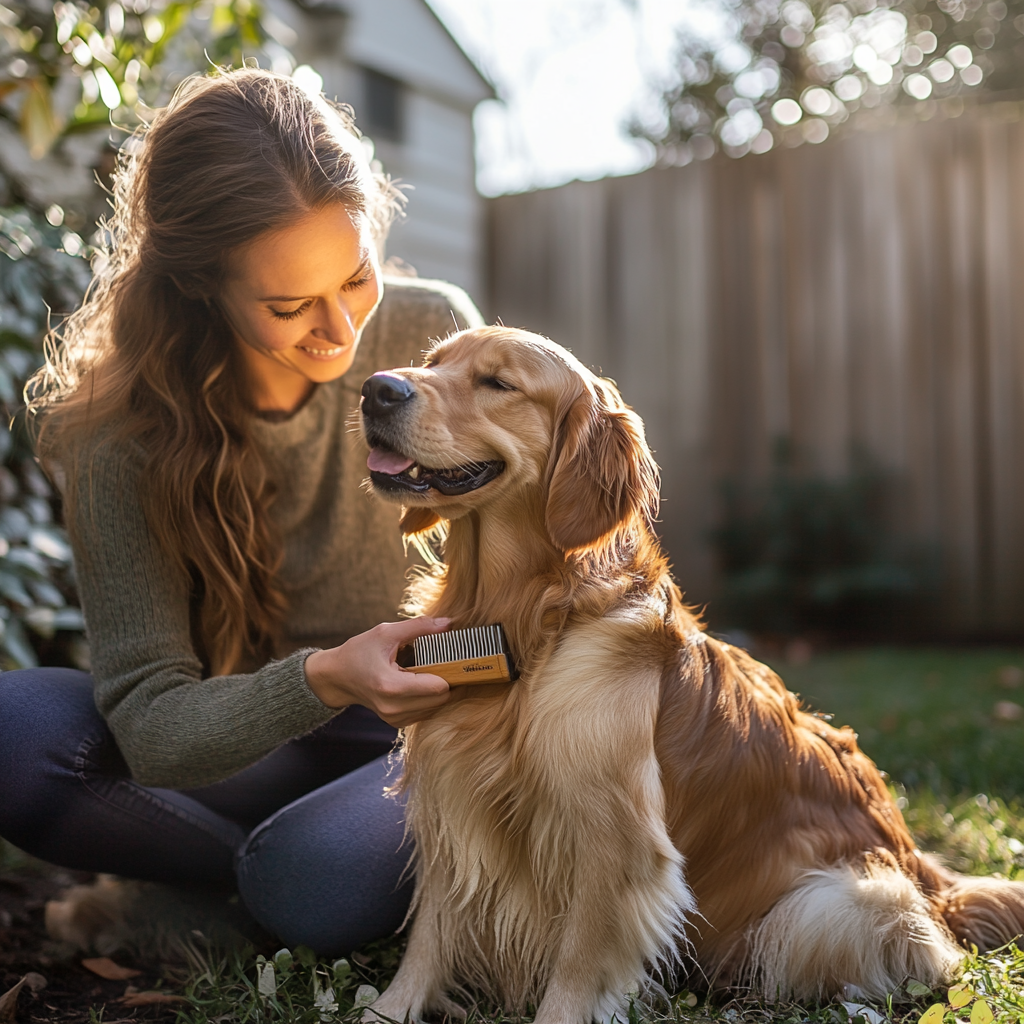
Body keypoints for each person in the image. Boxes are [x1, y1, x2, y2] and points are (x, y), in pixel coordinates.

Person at [0, 67, 481, 954]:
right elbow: (149, 725)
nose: (339, 331)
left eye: (356, 279)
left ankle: (249, 894)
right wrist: (328, 676)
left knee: (308, 881)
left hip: (430, 734)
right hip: (258, 737)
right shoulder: (118, 433)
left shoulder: (431, 340)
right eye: (290, 305)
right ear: (203, 286)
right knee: (17, 737)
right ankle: (273, 882)